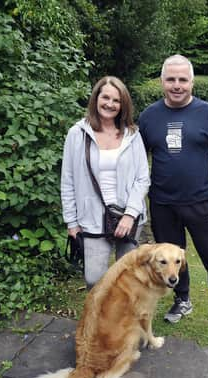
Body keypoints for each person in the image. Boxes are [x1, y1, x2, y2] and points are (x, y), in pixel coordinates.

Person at [138, 54, 208, 328]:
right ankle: (181, 299)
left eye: (182, 80)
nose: (176, 85)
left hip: (202, 202)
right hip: (163, 204)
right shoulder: (149, 117)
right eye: (171, 79)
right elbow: (137, 161)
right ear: (161, 81)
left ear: (191, 82)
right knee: (171, 259)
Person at [61, 76, 150, 289]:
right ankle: (99, 319)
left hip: (128, 217)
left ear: (123, 105)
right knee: (94, 279)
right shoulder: (77, 133)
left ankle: (123, 322)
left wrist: (130, 214)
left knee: (128, 280)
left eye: (116, 100)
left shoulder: (132, 134)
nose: (110, 104)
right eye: (105, 97)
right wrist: (71, 221)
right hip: (91, 217)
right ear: (96, 98)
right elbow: (68, 180)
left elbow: (142, 178)